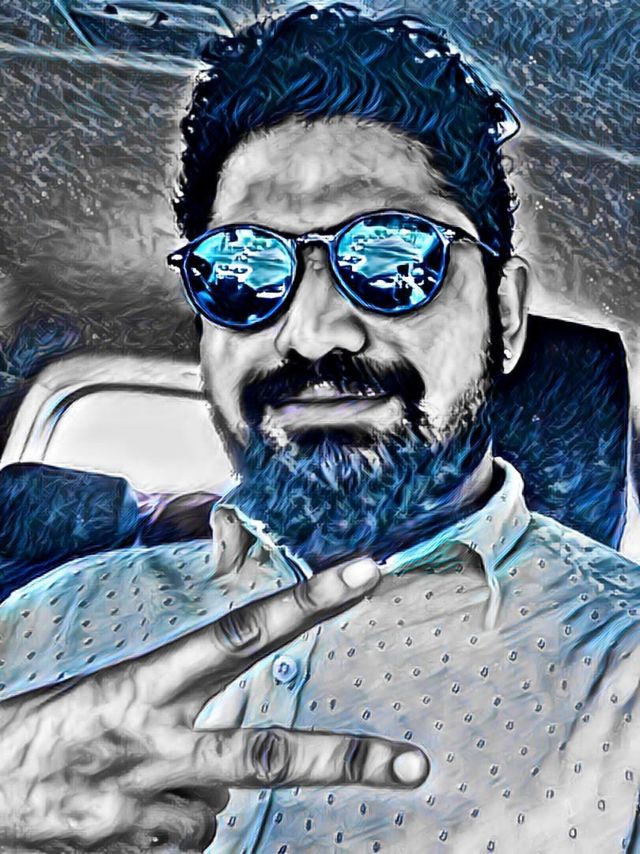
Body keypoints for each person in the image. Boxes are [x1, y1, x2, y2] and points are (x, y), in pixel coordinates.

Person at [1, 5, 639, 852]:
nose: (310, 333)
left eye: (393, 258)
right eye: (242, 270)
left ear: (507, 315)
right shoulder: (46, 619)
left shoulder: (624, 669)